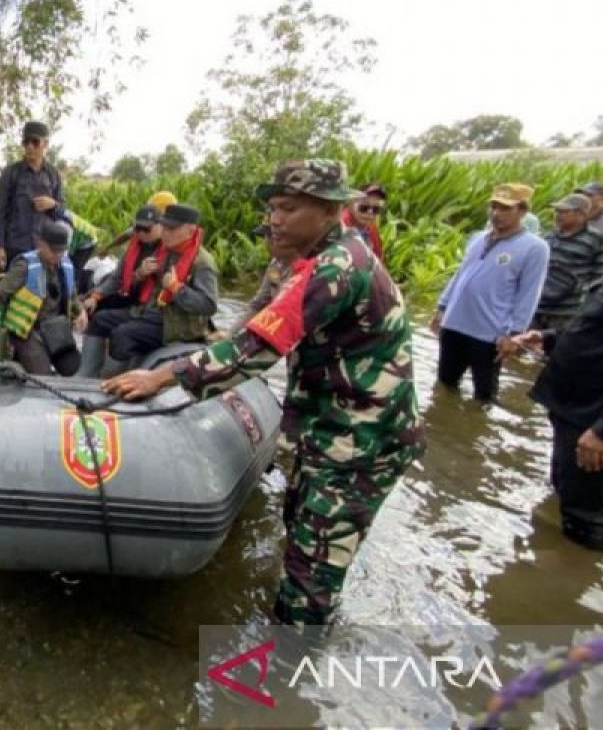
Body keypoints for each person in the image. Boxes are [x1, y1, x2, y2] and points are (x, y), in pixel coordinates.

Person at [103, 159, 425, 627]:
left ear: (330, 209)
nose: (275, 219)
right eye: (274, 208)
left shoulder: (336, 267)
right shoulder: (308, 259)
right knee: (299, 535)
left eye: (289, 208)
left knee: (309, 583)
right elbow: (258, 317)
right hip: (328, 430)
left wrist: (162, 376)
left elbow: (257, 348)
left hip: (362, 441)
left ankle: (296, 674)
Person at [509, 268, 603, 551]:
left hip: (596, 418)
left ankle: (575, 578)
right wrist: (550, 338)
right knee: (565, 488)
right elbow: (596, 326)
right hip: (574, 407)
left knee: (586, 516)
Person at [430, 184, 550, 402]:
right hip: (454, 325)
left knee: (484, 394)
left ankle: (476, 432)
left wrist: (514, 334)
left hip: (490, 334)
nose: (497, 213)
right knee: (444, 385)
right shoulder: (479, 238)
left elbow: (530, 293)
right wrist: (442, 308)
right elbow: (460, 275)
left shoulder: (535, 248)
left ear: (522, 211)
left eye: (505, 208)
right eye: (494, 207)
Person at [80, 203, 216, 378]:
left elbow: (209, 305)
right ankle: (86, 375)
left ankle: (110, 379)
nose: (165, 232)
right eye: (164, 226)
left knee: (123, 334)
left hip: (176, 326)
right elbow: (121, 280)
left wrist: (176, 288)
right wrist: (140, 274)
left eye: (171, 228)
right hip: (151, 312)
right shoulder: (168, 251)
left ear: (190, 230)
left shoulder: (202, 262)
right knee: (101, 319)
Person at [0, 221, 85, 376]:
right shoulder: (24, 266)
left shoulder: (66, 265)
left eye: (61, 251)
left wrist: (80, 310)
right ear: (41, 244)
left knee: (73, 368)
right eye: (54, 251)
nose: (58, 256)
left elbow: (72, 295)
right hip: (27, 332)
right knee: (42, 375)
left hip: (55, 328)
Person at [533, 193, 603, 330]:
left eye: (564, 212)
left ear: (581, 214)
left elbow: (602, 277)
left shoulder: (597, 239)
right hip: (539, 307)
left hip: (569, 312)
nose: (558, 215)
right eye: (557, 211)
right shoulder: (549, 237)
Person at [0, 121, 65, 269]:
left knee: (43, 290)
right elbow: (0, 212)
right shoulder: (11, 173)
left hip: (44, 248)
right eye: (26, 142)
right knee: (14, 289)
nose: (30, 146)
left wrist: (52, 204)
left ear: (45, 144)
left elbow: (62, 210)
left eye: (35, 142)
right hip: (16, 247)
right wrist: (0, 246)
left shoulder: (53, 174)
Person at [83, 205, 163, 315]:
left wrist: (139, 276)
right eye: (138, 228)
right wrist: (95, 297)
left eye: (147, 229)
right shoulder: (136, 243)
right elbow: (117, 277)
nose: (142, 233)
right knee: (89, 306)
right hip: (126, 294)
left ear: (161, 226)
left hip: (147, 306)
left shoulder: (168, 249)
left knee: (103, 318)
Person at [341, 182, 386, 262]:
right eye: (364, 207)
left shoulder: (371, 228)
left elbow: (378, 261)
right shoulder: (340, 225)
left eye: (376, 209)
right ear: (351, 204)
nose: (370, 213)